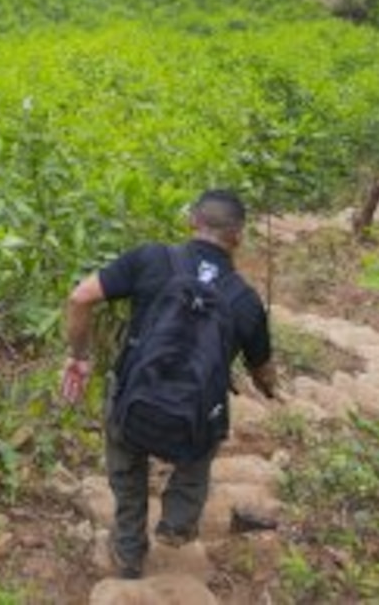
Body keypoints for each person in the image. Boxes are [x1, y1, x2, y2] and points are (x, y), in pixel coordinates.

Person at [59, 190, 277, 580]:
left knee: (126, 468)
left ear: (193, 221)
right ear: (238, 237)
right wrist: (270, 389)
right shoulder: (245, 300)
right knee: (209, 429)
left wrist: (79, 356)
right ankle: (178, 521)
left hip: (132, 403)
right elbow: (262, 370)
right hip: (193, 422)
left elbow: (80, 298)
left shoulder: (151, 258)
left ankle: (128, 551)